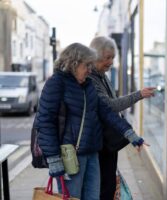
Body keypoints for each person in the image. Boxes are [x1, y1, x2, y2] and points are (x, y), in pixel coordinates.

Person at [35, 43, 147, 200]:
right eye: (86, 65)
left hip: (92, 153)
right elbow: (45, 122)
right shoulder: (56, 83)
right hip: (70, 157)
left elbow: (107, 112)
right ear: (73, 63)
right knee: (72, 197)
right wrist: (53, 159)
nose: (89, 69)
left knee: (94, 196)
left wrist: (130, 135)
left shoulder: (88, 85)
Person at [89, 36, 155, 200]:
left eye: (113, 58)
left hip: (107, 142)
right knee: (105, 186)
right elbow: (111, 106)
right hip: (100, 142)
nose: (111, 62)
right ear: (96, 56)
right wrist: (138, 94)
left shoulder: (102, 75)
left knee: (109, 183)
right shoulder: (91, 79)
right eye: (107, 58)